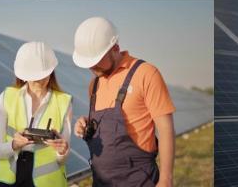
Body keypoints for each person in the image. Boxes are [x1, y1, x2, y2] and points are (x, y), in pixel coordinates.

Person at [71, 17, 175, 187]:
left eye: (97, 60)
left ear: (115, 48)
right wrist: (86, 123)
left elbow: (166, 130)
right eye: (89, 63)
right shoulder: (94, 84)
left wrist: (165, 180)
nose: (93, 67)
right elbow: (107, 126)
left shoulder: (146, 74)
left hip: (140, 180)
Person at [0, 41, 72, 187]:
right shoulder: (6, 97)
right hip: (9, 181)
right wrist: (14, 145)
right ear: (23, 76)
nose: (40, 81)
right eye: (35, 78)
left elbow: (62, 160)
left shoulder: (64, 102)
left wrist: (62, 151)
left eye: (44, 75)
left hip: (48, 183)